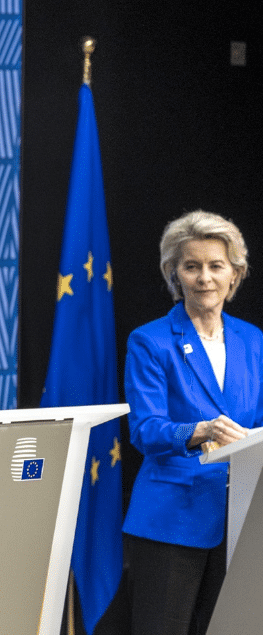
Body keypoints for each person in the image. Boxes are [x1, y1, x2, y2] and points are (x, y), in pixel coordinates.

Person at [123, 210, 263, 635]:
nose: (205, 277)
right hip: (171, 520)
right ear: (174, 274)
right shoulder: (150, 341)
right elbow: (145, 429)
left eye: (216, 266)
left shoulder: (252, 339)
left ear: (234, 274)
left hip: (241, 518)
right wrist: (199, 430)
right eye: (192, 266)